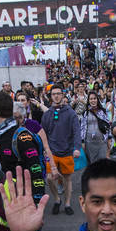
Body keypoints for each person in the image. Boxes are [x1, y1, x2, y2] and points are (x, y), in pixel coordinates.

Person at [0, 92, 48, 208]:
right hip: (5, 200)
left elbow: (36, 169)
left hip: (24, 203)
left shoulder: (21, 136)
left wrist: (37, 204)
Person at [41, 84, 80, 215]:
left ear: (62, 95)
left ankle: (67, 203)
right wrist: (44, 150)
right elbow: (43, 133)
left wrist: (77, 148)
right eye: (54, 94)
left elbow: (77, 132)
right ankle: (57, 200)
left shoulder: (71, 113)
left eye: (58, 93)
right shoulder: (47, 114)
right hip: (52, 152)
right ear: (51, 97)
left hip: (67, 151)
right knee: (50, 178)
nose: (56, 96)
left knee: (67, 179)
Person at [81, 90, 112, 164]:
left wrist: (109, 139)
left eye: (94, 98)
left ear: (97, 100)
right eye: (91, 99)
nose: (93, 100)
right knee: (91, 165)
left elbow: (108, 126)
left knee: (102, 164)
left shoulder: (103, 111)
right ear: (88, 100)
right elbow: (83, 128)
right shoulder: (86, 113)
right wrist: (82, 141)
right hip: (89, 143)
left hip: (101, 142)